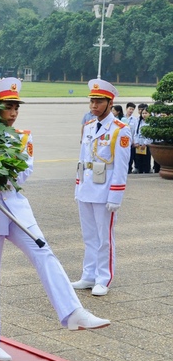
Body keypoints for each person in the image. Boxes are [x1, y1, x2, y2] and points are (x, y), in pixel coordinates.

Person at [0, 78, 110, 361]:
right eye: (8, 106)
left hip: (16, 207)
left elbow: (23, 173)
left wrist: (1, 168)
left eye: (16, 107)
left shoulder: (22, 137)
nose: (14, 112)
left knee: (44, 253)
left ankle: (72, 312)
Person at [72, 79, 131, 296]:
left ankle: (103, 278)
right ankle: (88, 275)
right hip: (87, 187)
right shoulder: (88, 127)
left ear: (109, 103)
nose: (93, 106)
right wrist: (78, 186)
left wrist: (116, 196)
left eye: (98, 102)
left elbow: (121, 166)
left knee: (103, 237)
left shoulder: (119, 130)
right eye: (91, 102)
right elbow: (82, 159)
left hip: (105, 190)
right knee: (89, 236)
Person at [131, 104, 152, 174]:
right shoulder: (139, 121)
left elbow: (150, 135)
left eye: (146, 113)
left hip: (146, 145)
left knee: (146, 161)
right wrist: (136, 142)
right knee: (138, 160)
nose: (144, 115)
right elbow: (136, 133)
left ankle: (146, 172)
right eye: (143, 113)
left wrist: (145, 143)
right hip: (138, 145)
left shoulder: (151, 122)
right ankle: (139, 172)